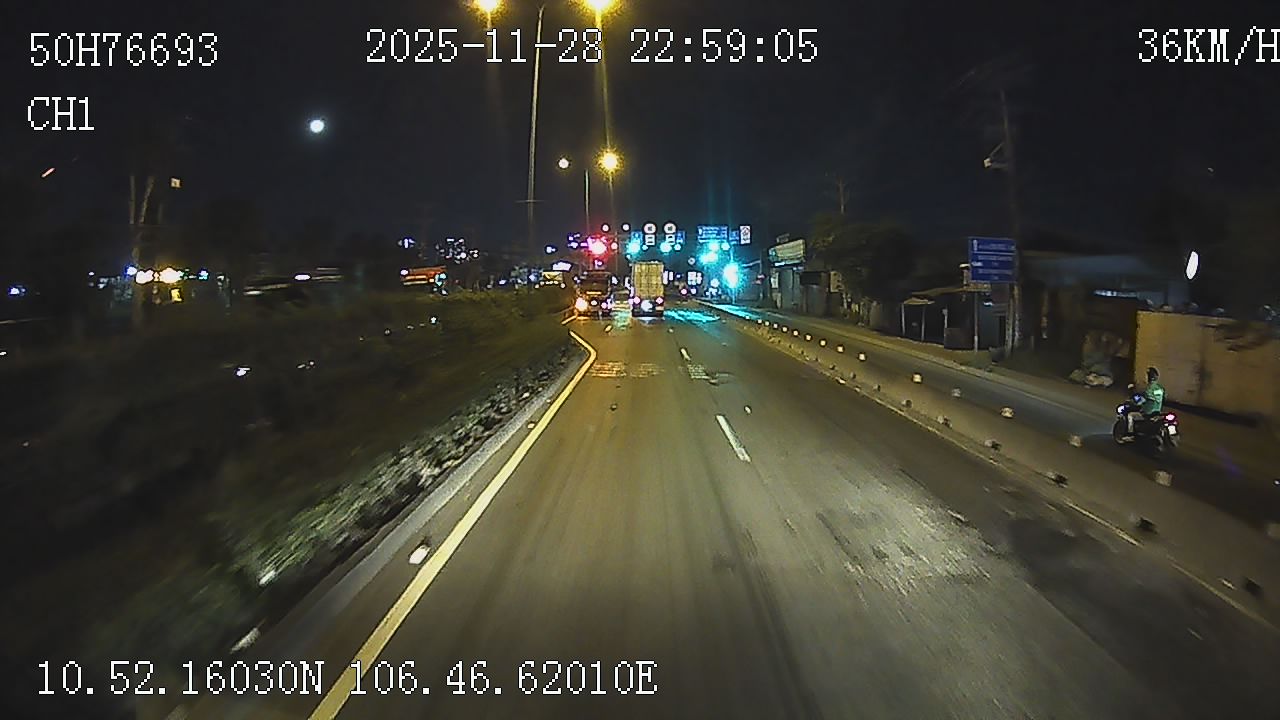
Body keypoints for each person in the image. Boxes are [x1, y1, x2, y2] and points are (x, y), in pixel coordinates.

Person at [1126, 366, 1165, 436]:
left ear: (1149, 377)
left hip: (1147, 413)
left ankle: (1130, 434)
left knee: (1130, 415)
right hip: (1157, 412)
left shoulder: (1149, 389)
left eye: (1147, 376)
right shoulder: (1160, 388)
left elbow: (1140, 401)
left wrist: (1134, 398)